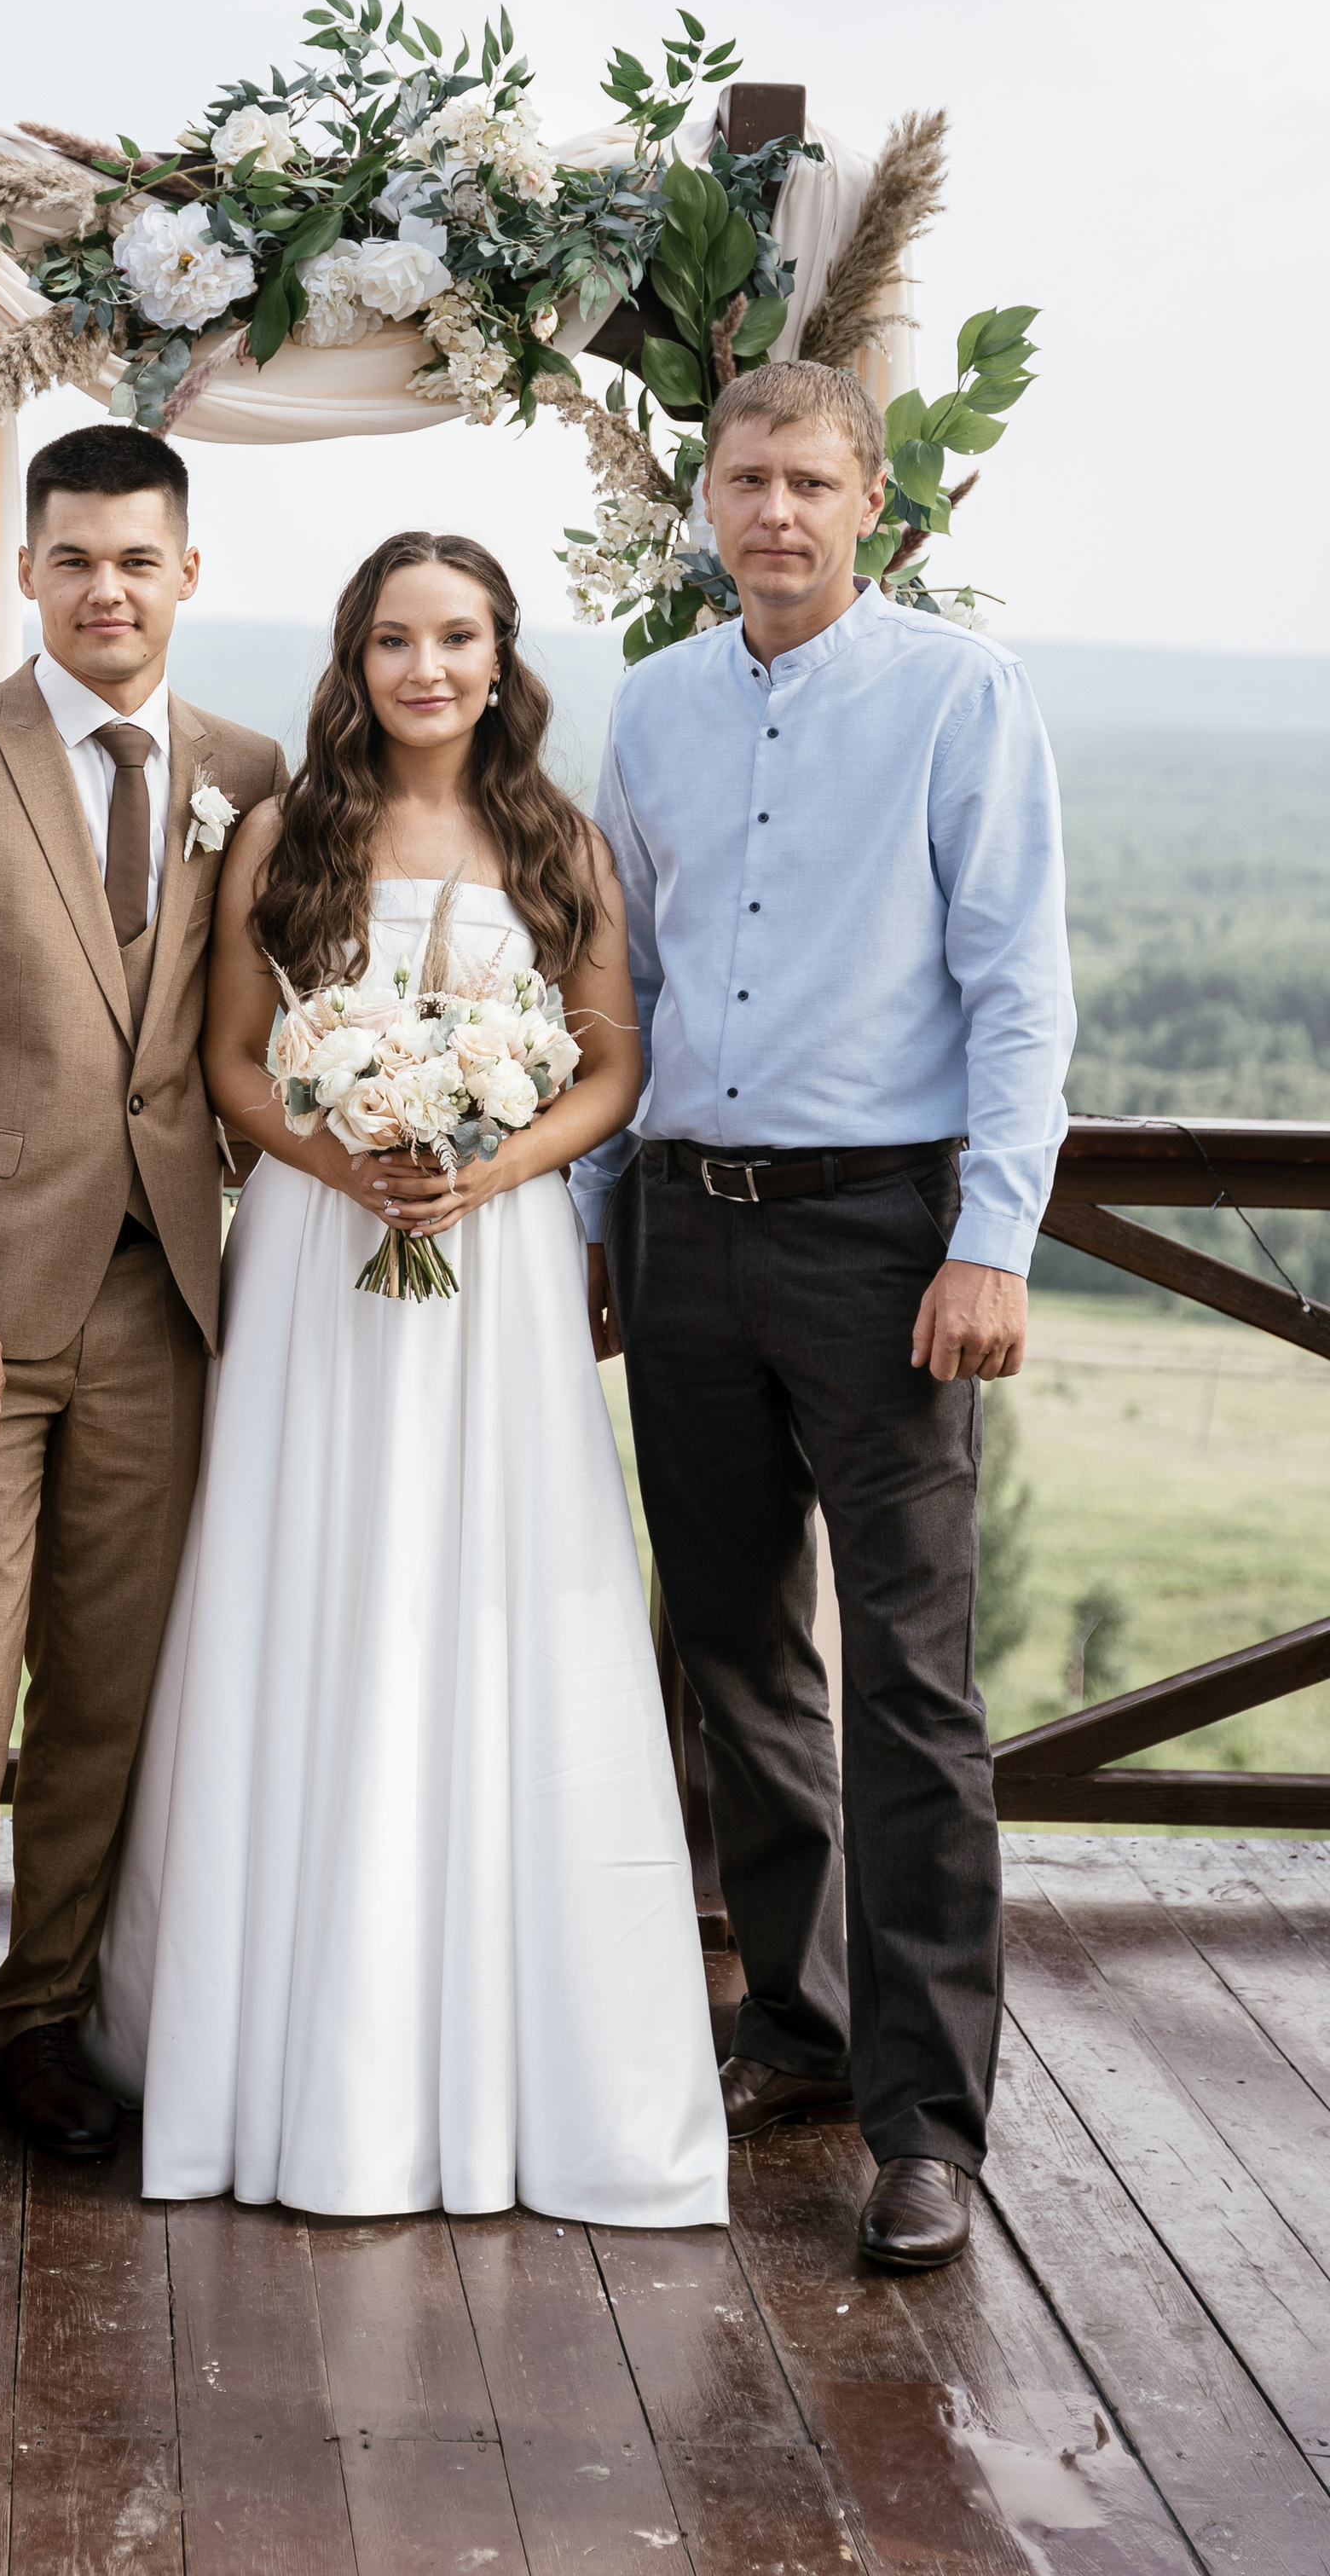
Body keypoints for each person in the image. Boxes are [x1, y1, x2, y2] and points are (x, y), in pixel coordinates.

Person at [86, 532, 730, 2227]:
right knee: (315, 1583)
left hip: (491, 1266)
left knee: (490, 1601)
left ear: (502, 654)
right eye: (392, 639)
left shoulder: (551, 837)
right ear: (352, 658)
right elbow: (231, 1061)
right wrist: (340, 1148)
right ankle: (277, 2049)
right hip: (319, 1250)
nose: (424, 668)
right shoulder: (288, 833)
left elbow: (608, 1065)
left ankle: (507, 2054)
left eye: (455, 638)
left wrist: (488, 1168)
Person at [575, 359, 1074, 2275]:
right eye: (740, 479)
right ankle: (787, 2025)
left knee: (909, 1686)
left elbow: (1015, 984)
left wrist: (993, 1238)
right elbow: (627, 974)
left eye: (804, 480)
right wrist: (605, 1217)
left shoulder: (959, 693)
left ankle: (923, 2119)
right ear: (699, 501)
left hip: (886, 1240)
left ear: (870, 499)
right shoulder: (653, 705)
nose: (769, 511)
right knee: (729, 1654)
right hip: (687, 1231)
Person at [0, 421, 286, 2211]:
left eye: (138, 560)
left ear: (190, 574)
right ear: (27, 571)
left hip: (167, 1304)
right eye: (74, 558)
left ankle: (45, 2024)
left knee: (108, 1690)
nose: (107, 589)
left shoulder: (247, 769)